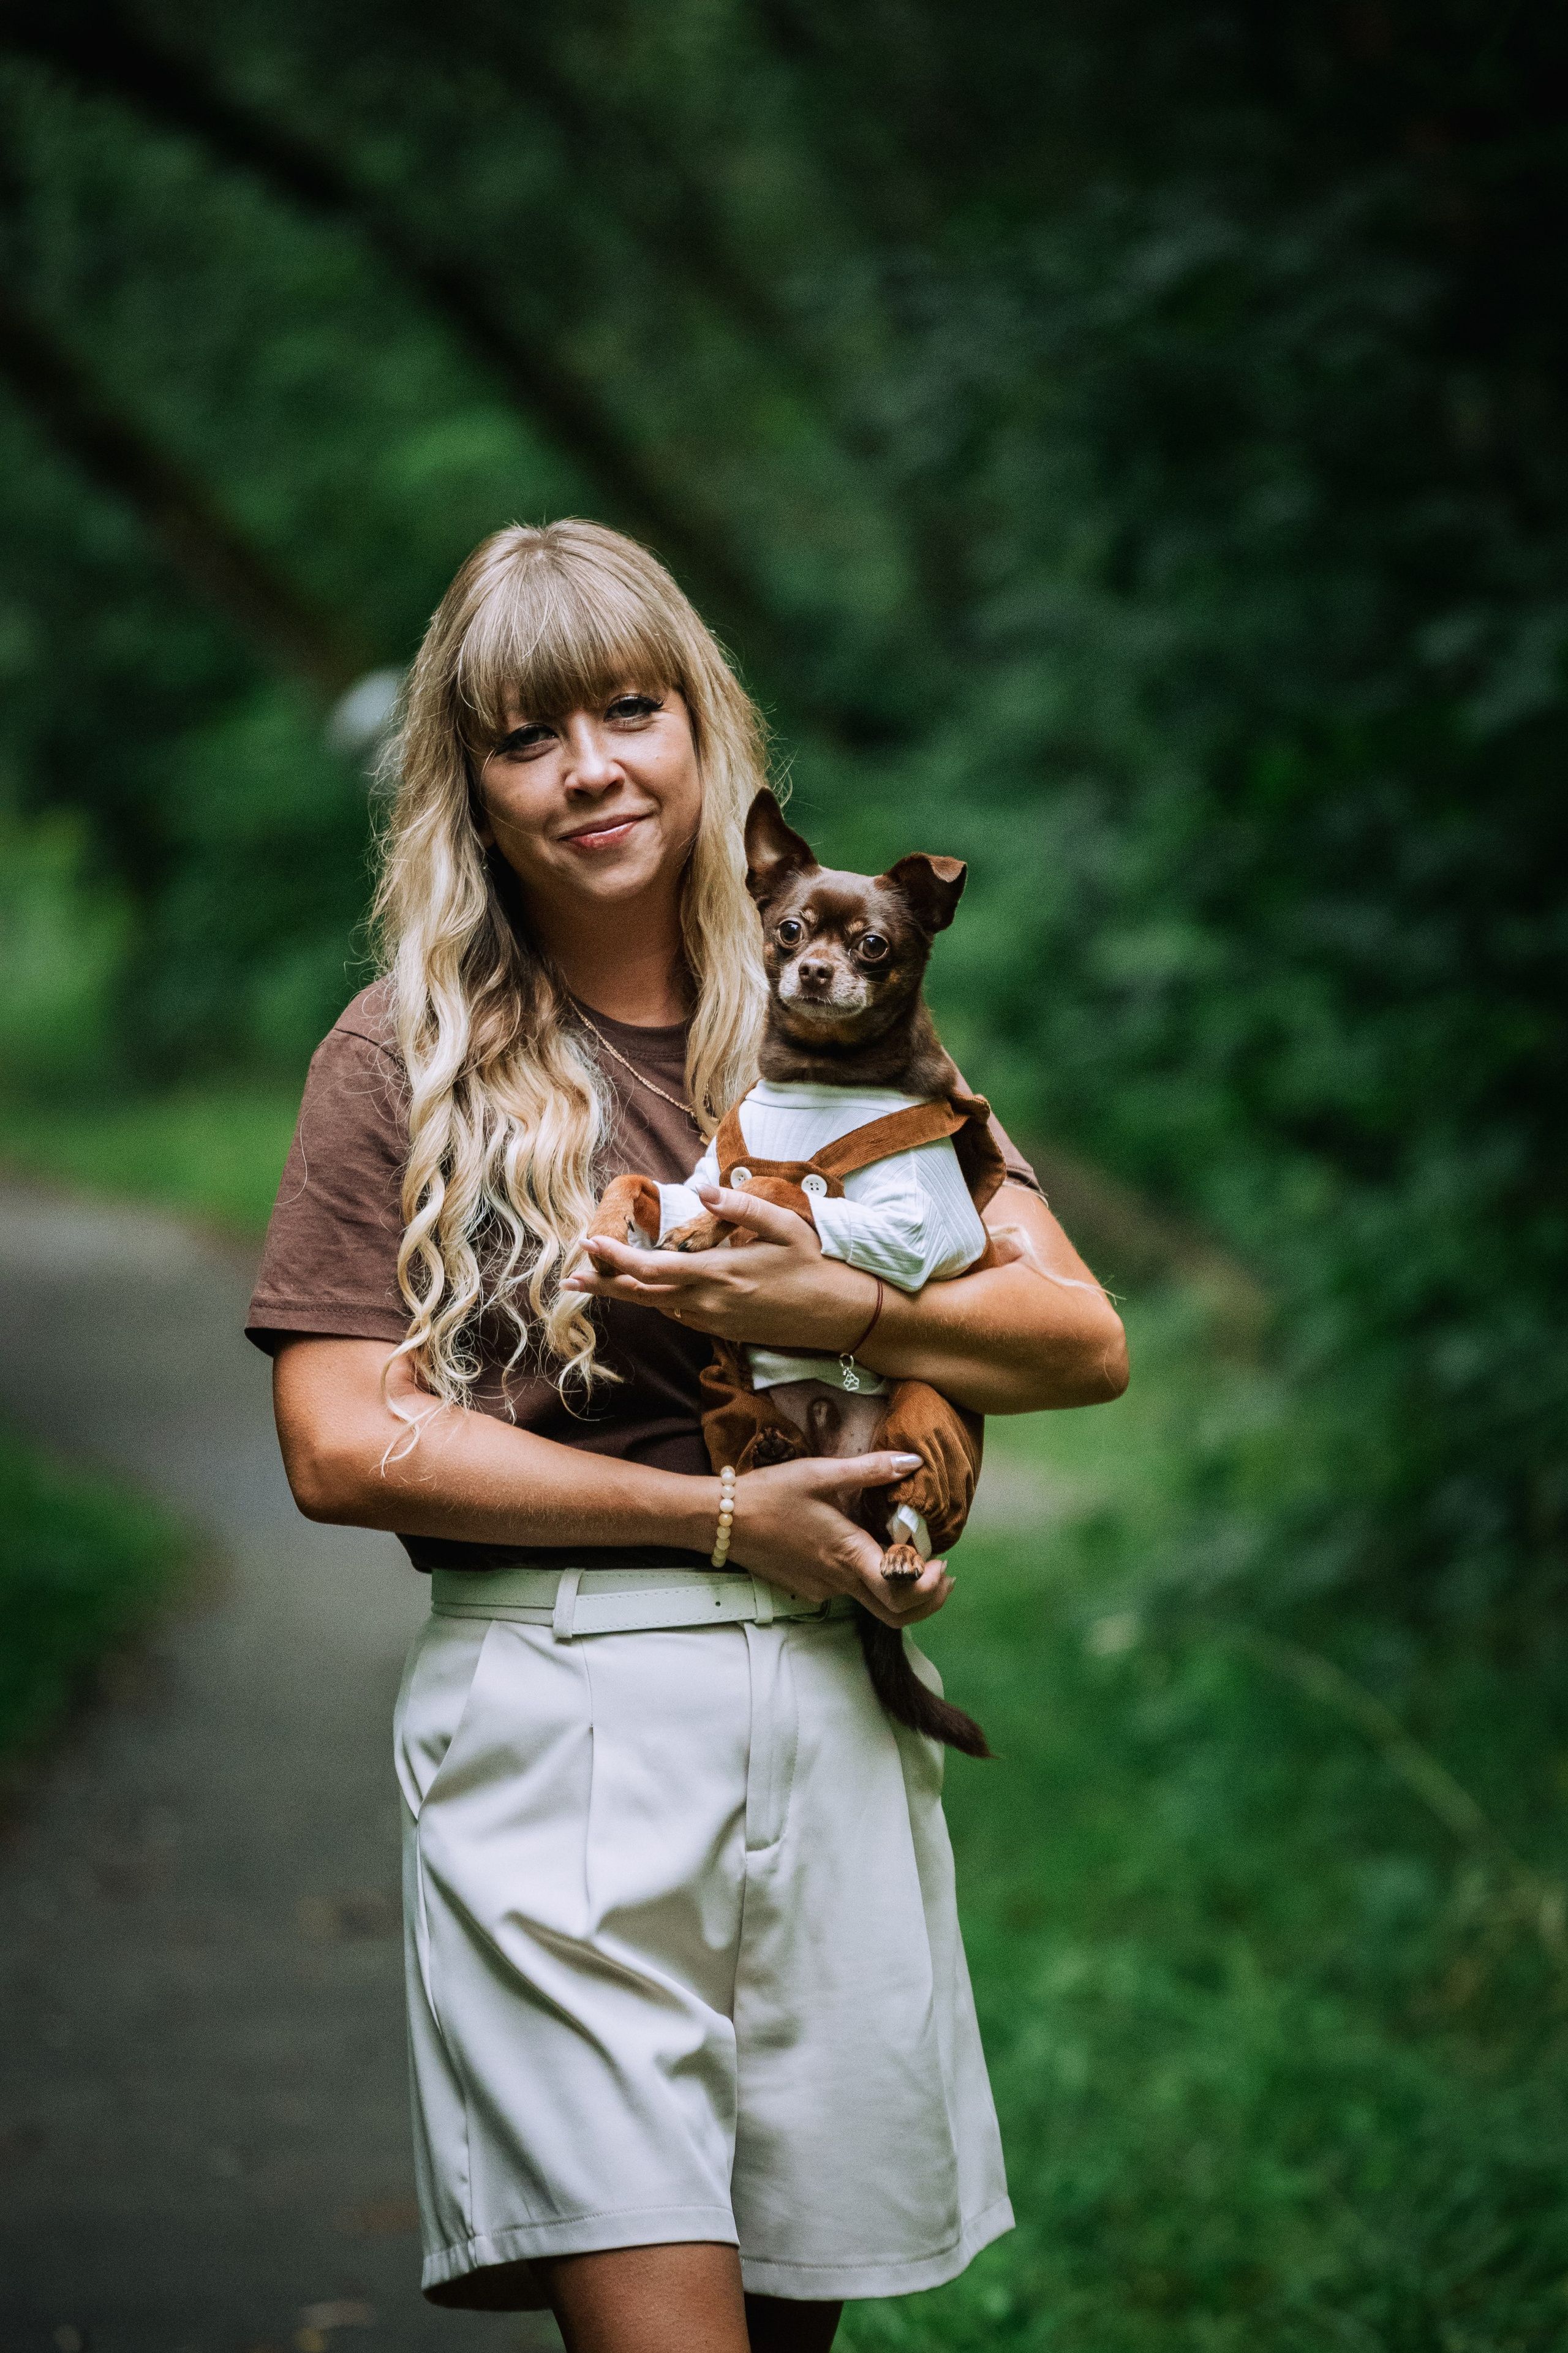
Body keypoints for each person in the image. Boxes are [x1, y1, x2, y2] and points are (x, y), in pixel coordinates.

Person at [247, 519, 1128, 2353]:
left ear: (703, 724)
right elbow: (340, 1442)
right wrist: (725, 1513)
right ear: (468, 785)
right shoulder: (398, 1054)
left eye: (631, 708)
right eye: (524, 736)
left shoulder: (852, 1014)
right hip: (561, 1728)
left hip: (827, 1715)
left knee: (798, 2326)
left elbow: (1079, 1339)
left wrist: (853, 1318)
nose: (590, 769)